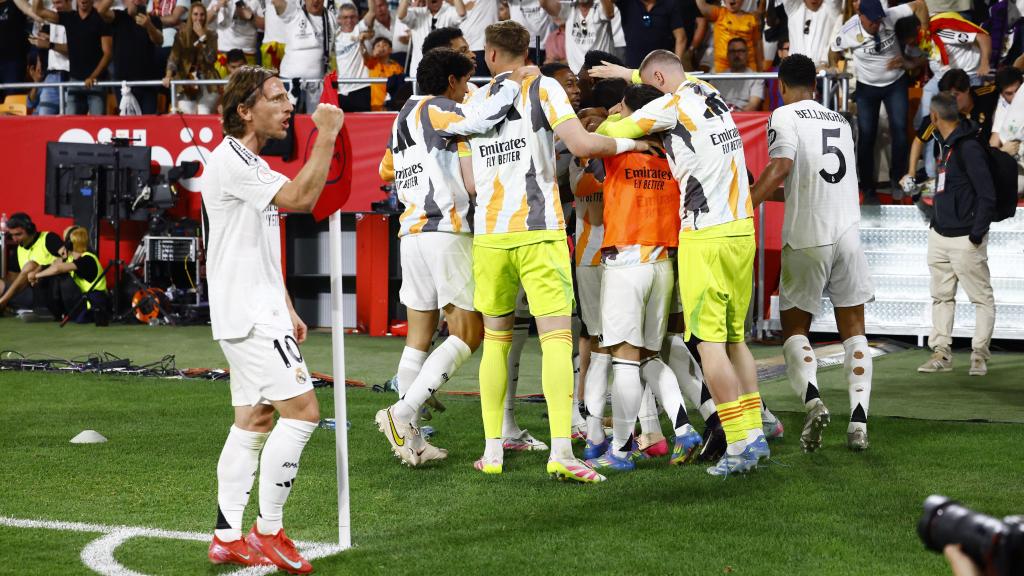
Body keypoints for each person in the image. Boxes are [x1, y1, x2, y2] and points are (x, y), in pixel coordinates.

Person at [463, 20, 646, 482]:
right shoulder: (543, 88)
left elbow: (470, 182)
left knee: (496, 342)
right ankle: (563, 452)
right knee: (556, 341)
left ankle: (492, 451)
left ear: (490, 55)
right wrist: (633, 142)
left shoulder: (475, 100)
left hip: (490, 235)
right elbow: (582, 144)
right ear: (528, 51)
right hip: (538, 231)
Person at [588, 50, 768, 476]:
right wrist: (629, 73)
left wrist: (613, 118)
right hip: (742, 229)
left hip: (704, 236)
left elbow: (607, 135)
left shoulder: (666, 108)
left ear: (656, 81)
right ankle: (755, 435)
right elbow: (662, 75)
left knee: (709, 345)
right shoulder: (708, 91)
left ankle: (737, 445)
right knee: (736, 340)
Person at [199, 65, 344, 574]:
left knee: (254, 420)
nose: (289, 107)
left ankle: (226, 537)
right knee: (302, 412)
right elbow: (303, 199)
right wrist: (327, 135)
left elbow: (257, 245)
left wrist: (285, 304)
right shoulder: (233, 161)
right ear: (245, 110)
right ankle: (268, 531)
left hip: (256, 309)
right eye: (277, 98)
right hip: (249, 315)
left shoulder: (247, 162)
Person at [375, 48, 534, 466]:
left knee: (418, 338)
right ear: (451, 81)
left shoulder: (401, 115)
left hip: (411, 233)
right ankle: (402, 412)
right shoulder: (439, 108)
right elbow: (480, 121)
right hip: (445, 229)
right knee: (469, 332)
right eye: (465, 83)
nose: (467, 92)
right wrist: (513, 82)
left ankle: (411, 443)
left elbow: (384, 170)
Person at [750, 54, 875, 452]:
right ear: (816, 86)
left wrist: (745, 204)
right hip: (848, 233)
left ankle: (813, 401)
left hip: (808, 234)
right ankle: (858, 422)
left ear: (781, 86)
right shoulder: (840, 121)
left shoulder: (784, 115)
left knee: (795, 330)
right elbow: (816, 180)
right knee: (854, 330)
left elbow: (781, 167)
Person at [584, 83, 703, 472]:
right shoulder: (674, 151)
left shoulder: (617, 148)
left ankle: (620, 451)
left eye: (622, 107)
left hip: (626, 262)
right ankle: (684, 427)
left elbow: (595, 137)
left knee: (624, 360)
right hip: (662, 262)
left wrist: (623, 126)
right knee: (650, 355)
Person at [916, 91, 996, 377]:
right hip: (940, 234)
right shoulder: (945, 142)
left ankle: (979, 355)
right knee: (941, 297)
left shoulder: (969, 147)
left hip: (965, 238)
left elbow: (987, 194)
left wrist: (976, 235)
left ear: (934, 116)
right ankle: (941, 353)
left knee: (981, 298)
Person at [830, 0, 927, 202]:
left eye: (879, 19)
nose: (877, 24)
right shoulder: (848, 30)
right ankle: (868, 188)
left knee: (900, 131)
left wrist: (925, 34)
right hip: (867, 88)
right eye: (872, 21)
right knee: (867, 137)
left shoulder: (890, 15)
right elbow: (833, 51)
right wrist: (835, 70)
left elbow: (920, 5)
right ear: (861, 16)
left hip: (896, 83)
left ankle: (897, 180)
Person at [902, 68, 998, 185]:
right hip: (954, 166)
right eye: (947, 95)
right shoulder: (943, 111)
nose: (951, 100)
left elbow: (1007, 86)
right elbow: (919, 140)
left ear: (967, 89)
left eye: (956, 95)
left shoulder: (986, 94)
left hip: (985, 159)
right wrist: (911, 172)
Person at [21, 0, 113, 115]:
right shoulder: (70, 18)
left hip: (95, 83)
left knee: (96, 123)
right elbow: (39, 11)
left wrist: (93, 77)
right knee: (70, 123)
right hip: (75, 83)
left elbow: (108, 53)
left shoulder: (101, 19)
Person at [29, 225, 109, 325]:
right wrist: (37, 271)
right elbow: (52, 265)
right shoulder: (72, 258)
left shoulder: (87, 259)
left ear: (69, 243)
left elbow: (57, 269)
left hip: (95, 298)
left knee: (62, 278)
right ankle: (47, 311)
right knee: (52, 276)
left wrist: (36, 276)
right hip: (85, 297)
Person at [97, 0, 163, 115]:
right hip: (124, 84)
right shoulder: (119, 17)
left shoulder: (153, 20)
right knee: (128, 123)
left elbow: (159, 41)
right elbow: (101, 11)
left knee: (149, 121)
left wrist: (149, 26)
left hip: (147, 83)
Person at [273, 0, 334, 113]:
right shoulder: (293, 13)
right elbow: (277, 2)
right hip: (290, 83)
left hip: (317, 84)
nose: (315, 1)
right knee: (287, 119)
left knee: (314, 121)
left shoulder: (330, 18)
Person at [0, 213, 63, 316]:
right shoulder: (18, 250)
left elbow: (67, 259)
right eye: (12, 235)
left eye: (18, 234)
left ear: (30, 230)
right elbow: (13, 279)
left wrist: (40, 269)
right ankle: (5, 304)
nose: (14, 239)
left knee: (31, 265)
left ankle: (3, 302)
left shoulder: (49, 238)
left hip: (49, 291)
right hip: (28, 294)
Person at [163, 2, 219, 114]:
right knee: (188, 113)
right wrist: (168, 75)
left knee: (204, 112)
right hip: (185, 79)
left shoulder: (212, 35)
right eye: (195, 14)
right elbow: (173, 57)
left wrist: (203, 38)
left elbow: (211, 59)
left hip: (207, 80)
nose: (199, 18)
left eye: (202, 14)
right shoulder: (181, 35)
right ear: (190, 16)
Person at [540, 0, 619, 74]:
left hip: (602, 72)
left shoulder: (599, 5)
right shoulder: (569, 7)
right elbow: (544, 4)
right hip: (576, 74)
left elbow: (610, 14)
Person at [398, 0, 466, 79]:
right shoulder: (417, 13)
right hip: (419, 73)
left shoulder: (449, 11)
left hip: (445, 71)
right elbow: (401, 16)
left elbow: (461, 13)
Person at [28, 0, 71, 116]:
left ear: (69, 2)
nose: (56, 7)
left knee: (69, 121)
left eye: (59, 3)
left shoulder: (76, 19)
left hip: (70, 76)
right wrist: (47, 40)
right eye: (54, 3)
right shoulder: (53, 19)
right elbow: (37, 10)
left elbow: (75, 50)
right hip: (51, 76)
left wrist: (49, 44)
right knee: (43, 120)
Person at [695, 0, 762, 72]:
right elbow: (702, 6)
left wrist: (760, 67)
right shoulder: (719, 13)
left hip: (748, 67)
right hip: (723, 68)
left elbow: (757, 44)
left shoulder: (752, 19)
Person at [615, 0, 685, 68]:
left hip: (662, 66)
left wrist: (676, 66)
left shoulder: (669, 3)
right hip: (633, 66)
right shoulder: (627, 3)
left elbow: (681, 37)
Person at [334, 2, 374, 112]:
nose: (349, 20)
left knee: (362, 122)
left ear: (357, 18)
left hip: (360, 88)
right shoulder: (333, 36)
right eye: (345, 17)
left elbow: (372, 12)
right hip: (339, 90)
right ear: (339, 19)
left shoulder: (359, 29)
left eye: (352, 17)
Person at [210, 0, 263, 76]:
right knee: (222, 83)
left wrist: (251, 17)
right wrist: (217, 7)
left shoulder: (255, 1)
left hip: (248, 52)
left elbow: (265, 26)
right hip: (223, 53)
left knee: (248, 83)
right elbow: (205, 20)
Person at [717, 38, 765, 111]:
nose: (736, 55)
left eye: (741, 51)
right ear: (727, 54)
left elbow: (753, 105)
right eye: (733, 51)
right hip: (720, 115)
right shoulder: (717, 78)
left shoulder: (756, 78)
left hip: (744, 116)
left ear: (747, 54)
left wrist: (737, 116)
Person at [365, 37, 404, 111]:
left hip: (393, 106)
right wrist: (374, 55)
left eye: (385, 45)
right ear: (373, 50)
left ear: (390, 50)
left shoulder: (397, 66)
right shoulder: (372, 63)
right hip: (376, 106)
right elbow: (366, 57)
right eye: (378, 45)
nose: (381, 47)